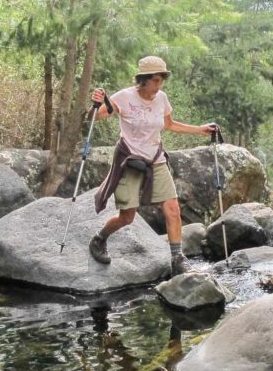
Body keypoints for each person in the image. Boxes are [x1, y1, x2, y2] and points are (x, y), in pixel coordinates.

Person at [89, 55, 217, 276]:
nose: (160, 85)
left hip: (156, 159)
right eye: (156, 80)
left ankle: (178, 259)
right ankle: (99, 239)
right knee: (126, 217)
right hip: (129, 160)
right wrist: (97, 102)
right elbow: (96, 117)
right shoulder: (125, 97)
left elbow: (168, 124)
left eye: (162, 80)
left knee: (173, 209)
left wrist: (199, 129)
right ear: (144, 80)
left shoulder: (162, 98)